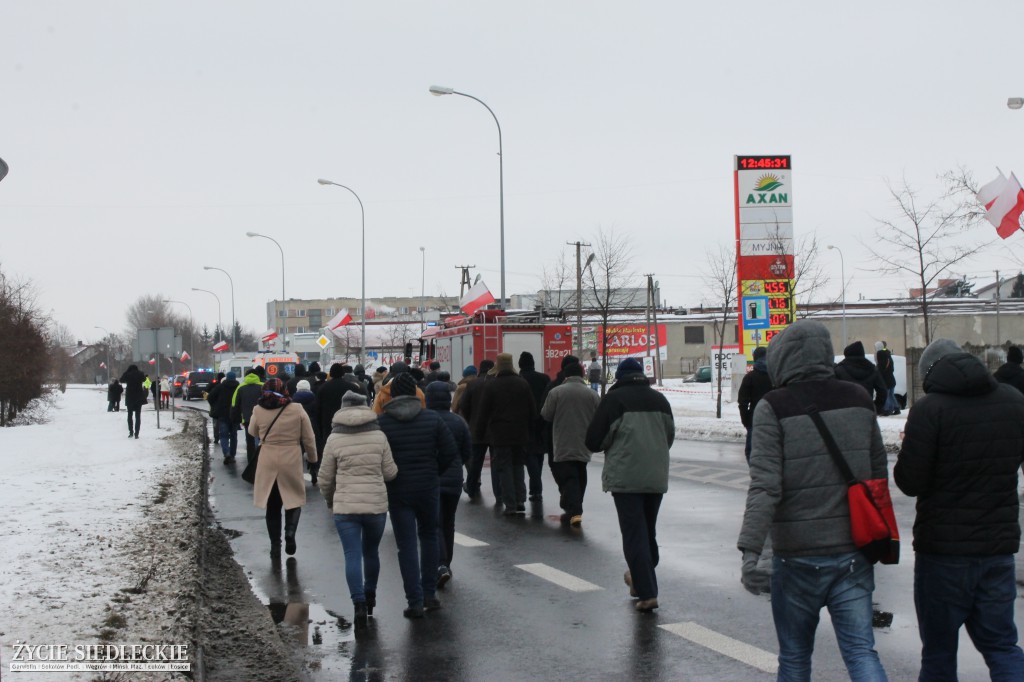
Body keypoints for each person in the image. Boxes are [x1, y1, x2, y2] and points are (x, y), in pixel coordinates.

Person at [736, 320, 889, 680]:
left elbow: (765, 486)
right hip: (854, 550)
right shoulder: (857, 398)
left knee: (794, 658)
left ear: (781, 359)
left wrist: (750, 551)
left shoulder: (773, 406)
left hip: (796, 557)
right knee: (861, 652)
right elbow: (876, 477)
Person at [894, 339, 1024, 680]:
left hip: (943, 553)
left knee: (938, 652)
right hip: (998, 548)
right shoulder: (1014, 401)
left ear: (931, 374)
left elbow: (910, 482)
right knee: (1001, 646)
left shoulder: (929, 409)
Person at [585, 357, 674, 613]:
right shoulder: (660, 400)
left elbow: (594, 440)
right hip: (655, 476)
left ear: (620, 376)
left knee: (634, 535)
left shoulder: (614, 400)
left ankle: (647, 593)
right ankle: (639, 578)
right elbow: (669, 436)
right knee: (648, 533)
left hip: (626, 478)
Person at [377, 372, 457, 618]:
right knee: (430, 537)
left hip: (398, 490)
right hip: (428, 488)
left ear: (391, 395)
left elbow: (379, 459)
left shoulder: (383, 423)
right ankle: (430, 595)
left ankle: (414, 601)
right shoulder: (432, 419)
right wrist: (434, 472)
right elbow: (449, 452)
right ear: (415, 393)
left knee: (406, 545)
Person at [318, 389, 398, 629]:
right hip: (375, 507)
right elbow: (390, 472)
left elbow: (324, 478)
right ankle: (371, 595)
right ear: (366, 407)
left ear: (342, 409)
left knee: (351, 555)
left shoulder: (334, 439)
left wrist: (331, 499)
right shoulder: (379, 436)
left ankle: (358, 603)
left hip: (345, 508)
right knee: (371, 552)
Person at [248, 377, 317, 559]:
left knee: (272, 505)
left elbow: (252, 431)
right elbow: (308, 437)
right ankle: (290, 533)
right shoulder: (296, 409)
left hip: (268, 458)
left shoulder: (258, 409)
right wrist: (312, 458)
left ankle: (274, 545)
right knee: (293, 499)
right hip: (291, 458)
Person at [540, 359, 600, 526]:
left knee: (569, 475)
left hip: (563, 439)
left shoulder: (556, 392)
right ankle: (574, 505)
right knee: (580, 472)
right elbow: (599, 416)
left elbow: (546, 414)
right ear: (582, 375)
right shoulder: (592, 394)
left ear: (566, 375)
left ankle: (574, 510)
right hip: (584, 440)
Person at [425, 381, 471, 590]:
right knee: (448, 523)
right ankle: (447, 564)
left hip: (431, 480)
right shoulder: (458, 421)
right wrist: (456, 466)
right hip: (453, 480)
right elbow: (466, 451)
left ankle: (440, 565)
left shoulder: (425, 420)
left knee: (434, 523)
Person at [477, 353, 536, 516]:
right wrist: (531, 431)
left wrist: (479, 433)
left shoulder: (492, 385)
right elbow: (532, 411)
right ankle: (520, 500)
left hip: (500, 434)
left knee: (504, 467)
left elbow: (483, 412)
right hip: (520, 433)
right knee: (518, 466)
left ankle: (509, 503)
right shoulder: (522, 384)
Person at [456, 359, 496, 500]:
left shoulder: (472, 384)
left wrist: (471, 419)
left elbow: (463, 404)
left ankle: (472, 487)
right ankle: (499, 492)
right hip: (494, 429)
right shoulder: (496, 383)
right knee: (496, 462)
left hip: (476, 428)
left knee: (475, 461)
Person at [315, 364, 366, 465]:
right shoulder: (351, 387)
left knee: (330, 452)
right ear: (343, 373)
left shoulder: (323, 388)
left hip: (328, 424)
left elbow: (318, 409)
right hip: (348, 423)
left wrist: (320, 428)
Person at [518, 351, 551, 501]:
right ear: (533, 364)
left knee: (530, 454)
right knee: (538, 453)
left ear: (520, 365)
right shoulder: (544, 378)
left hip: (524, 422)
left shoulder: (519, 380)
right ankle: (536, 488)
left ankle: (536, 487)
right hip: (543, 421)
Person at [737, 346, 773, 463]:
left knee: (751, 453)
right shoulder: (775, 376)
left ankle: (757, 475)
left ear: (754, 358)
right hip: (775, 419)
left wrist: (746, 421)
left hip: (755, 420)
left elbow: (742, 402)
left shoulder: (750, 377)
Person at [834, 340, 887, 414]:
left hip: (844, 411)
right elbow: (883, 391)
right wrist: (876, 408)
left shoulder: (839, 369)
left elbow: (832, 391)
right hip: (866, 410)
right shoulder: (872, 369)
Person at [231, 367, 265, 462]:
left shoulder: (240, 387)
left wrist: (235, 419)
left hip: (247, 419)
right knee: (263, 439)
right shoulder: (263, 386)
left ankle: (251, 461)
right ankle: (261, 459)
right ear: (257, 376)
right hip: (263, 419)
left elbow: (234, 404)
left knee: (249, 441)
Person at [291, 379, 320, 485]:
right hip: (312, 426)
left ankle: (296, 475)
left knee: (299, 450)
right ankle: (313, 470)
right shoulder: (315, 400)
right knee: (312, 449)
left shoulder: (292, 402)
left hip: (296, 428)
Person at [211, 371, 240, 464]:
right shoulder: (238, 387)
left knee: (223, 435)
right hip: (235, 415)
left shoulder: (220, 387)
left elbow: (210, 396)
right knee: (233, 435)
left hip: (222, 415)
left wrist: (215, 406)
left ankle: (226, 453)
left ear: (227, 378)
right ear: (235, 378)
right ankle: (232, 455)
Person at [119, 364, 147, 439]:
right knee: (138, 416)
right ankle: (137, 433)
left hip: (130, 397)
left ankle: (131, 432)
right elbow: (144, 379)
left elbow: (121, 380)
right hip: (139, 397)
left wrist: (126, 372)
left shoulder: (127, 374)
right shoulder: (140, 373)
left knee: (129, 415)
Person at [874, 341, 900, 415]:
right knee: (891, 395)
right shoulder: (887, 354)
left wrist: (877, 371)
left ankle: (886, 410)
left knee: (886, 395)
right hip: (891, 379)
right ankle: (896, 408)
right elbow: (890, 368)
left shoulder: (880, 354)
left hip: (886, 380)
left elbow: (881, 368)